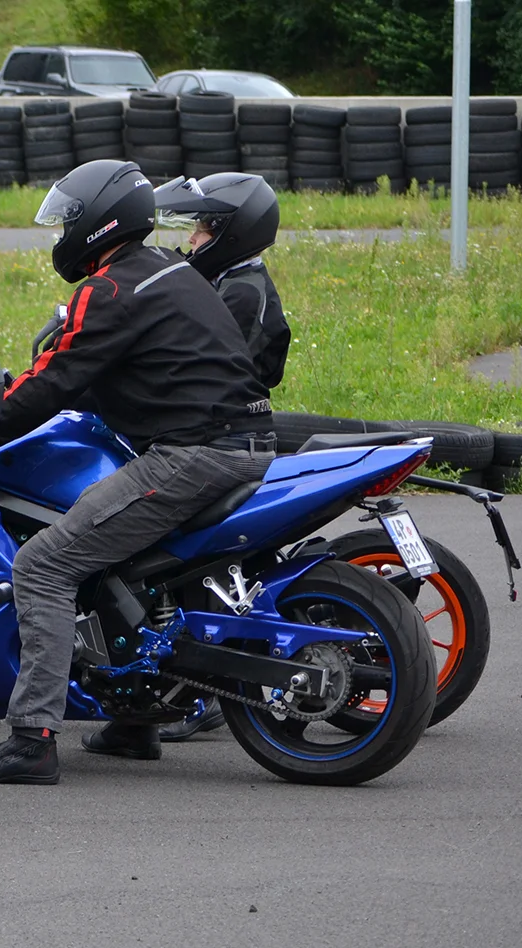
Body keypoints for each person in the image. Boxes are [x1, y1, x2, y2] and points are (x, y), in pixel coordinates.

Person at [0, 160, 277, 785]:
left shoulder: (109, 289)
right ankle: (134, 720)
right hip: (245, 442)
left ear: (99, 223)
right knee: (122, 562)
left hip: (192, 455)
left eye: (68, 220)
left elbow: (54, 380)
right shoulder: (171, 270)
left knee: (43, 563)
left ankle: (31, 739)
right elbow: (130, 373)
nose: (60, 233)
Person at [150, 171, 288, 743]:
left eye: (203, 231)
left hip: (221, 434)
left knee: (177, 548)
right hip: (222, 425)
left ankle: (199, 691)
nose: (192, 242)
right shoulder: (233, 280)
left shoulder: (241, 290)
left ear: (232, 233)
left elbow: (201, 364)